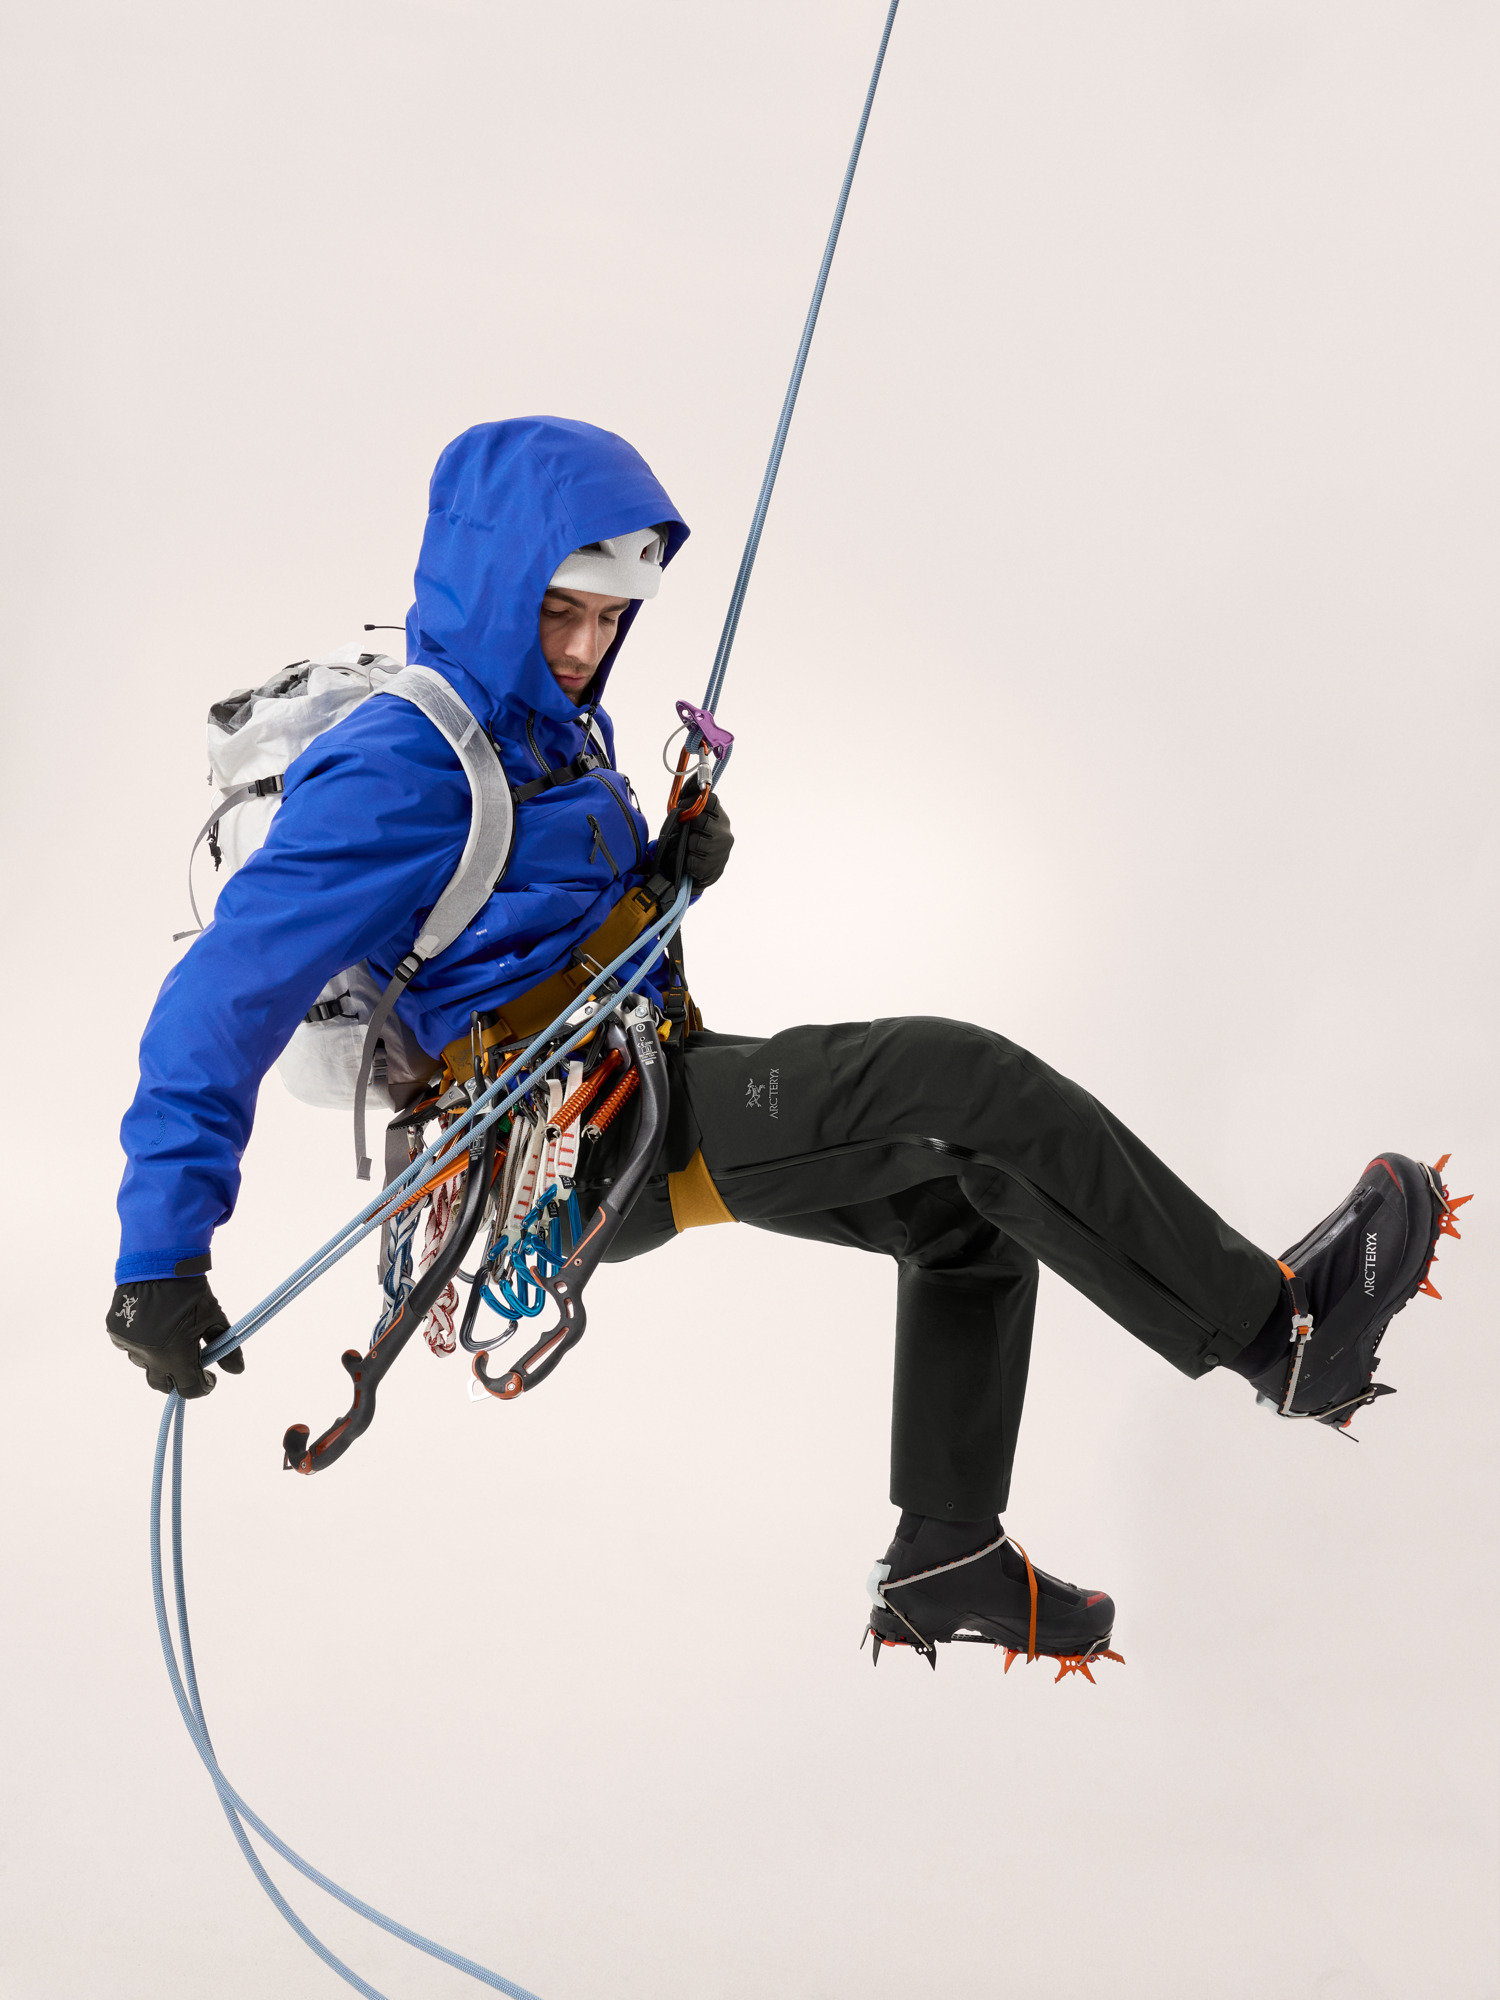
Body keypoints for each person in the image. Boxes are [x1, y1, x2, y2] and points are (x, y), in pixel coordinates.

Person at [107, 416, 1461, 1673]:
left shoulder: (548, 728)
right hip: (567, 1143)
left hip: (629, 1087)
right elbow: (223, 995)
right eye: (559, 611)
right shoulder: (402, 763)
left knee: (961, 1205)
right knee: (957, 1082)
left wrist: (663, 872)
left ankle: (947, 1549)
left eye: (609, 618)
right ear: (492, 586)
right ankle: (1281, 1335)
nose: (583, 646)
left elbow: (515, 923)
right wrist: (160, 1254)